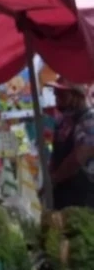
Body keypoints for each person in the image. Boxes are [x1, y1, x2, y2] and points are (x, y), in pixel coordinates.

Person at [50, 78, 94, 210]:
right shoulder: (64, 120)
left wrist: (54, 178)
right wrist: (50, 175)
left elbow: (78, 157)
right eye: (55, 93)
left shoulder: (89, 120)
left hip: (82, 195)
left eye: (61, 94)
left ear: (76, 96)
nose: (56, 97)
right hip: (62, 190)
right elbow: (56, 151)